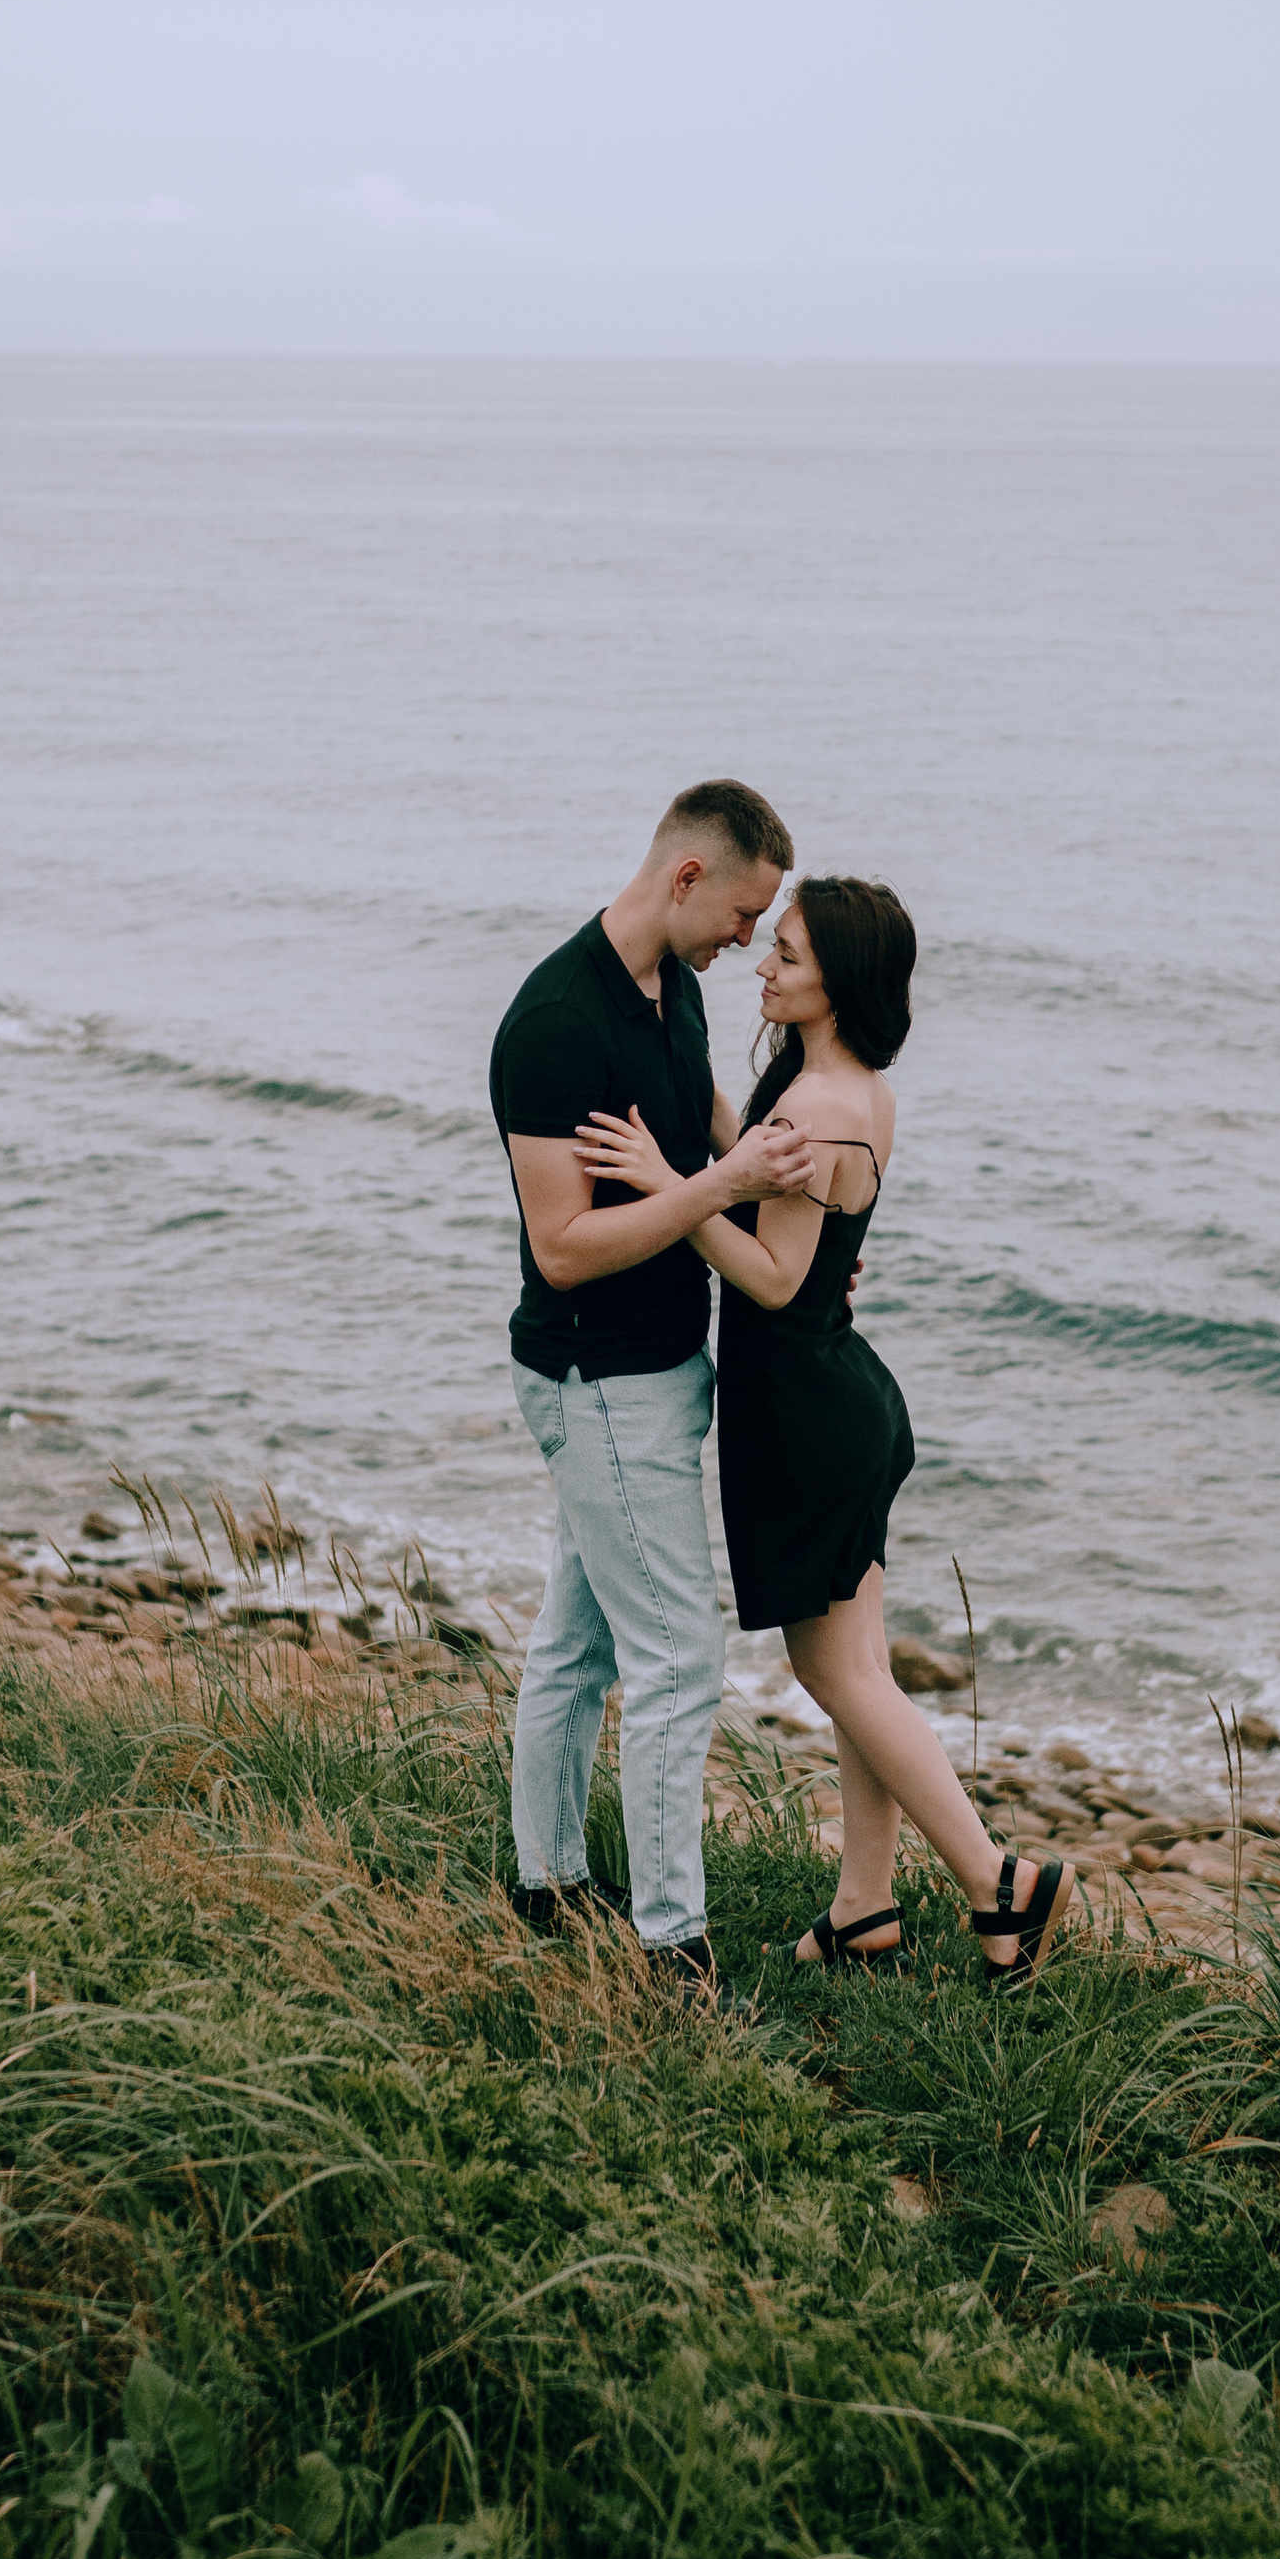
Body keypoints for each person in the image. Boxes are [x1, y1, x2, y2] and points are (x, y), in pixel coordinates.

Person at [575, 877, 1071, 1990]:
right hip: (840, 1398)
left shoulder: (819, 1107)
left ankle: (1000, 1882)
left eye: (787, 955)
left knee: (837, 1674)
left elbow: (771, 1273)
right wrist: (692, 1099)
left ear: (837, 980)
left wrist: (675, 1186)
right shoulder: (840, 1083)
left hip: (803, 1411)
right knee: (860, 1671)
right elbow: (760, 1161)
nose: (765, 965)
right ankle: (863, 1908)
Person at [491, 780, 816, 1994]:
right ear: (686, 878)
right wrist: (718, 1186)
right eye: (742, 913)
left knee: (577, 1644)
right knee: (679, 1654)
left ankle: (546, 1881)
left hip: (660, 1374)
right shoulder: (552, 1022)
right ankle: (671, 1949)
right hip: (597, 1377)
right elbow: (563, 1242)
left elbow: (700, 1126)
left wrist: (753, 1158)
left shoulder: (667, 984)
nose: (747, 942)